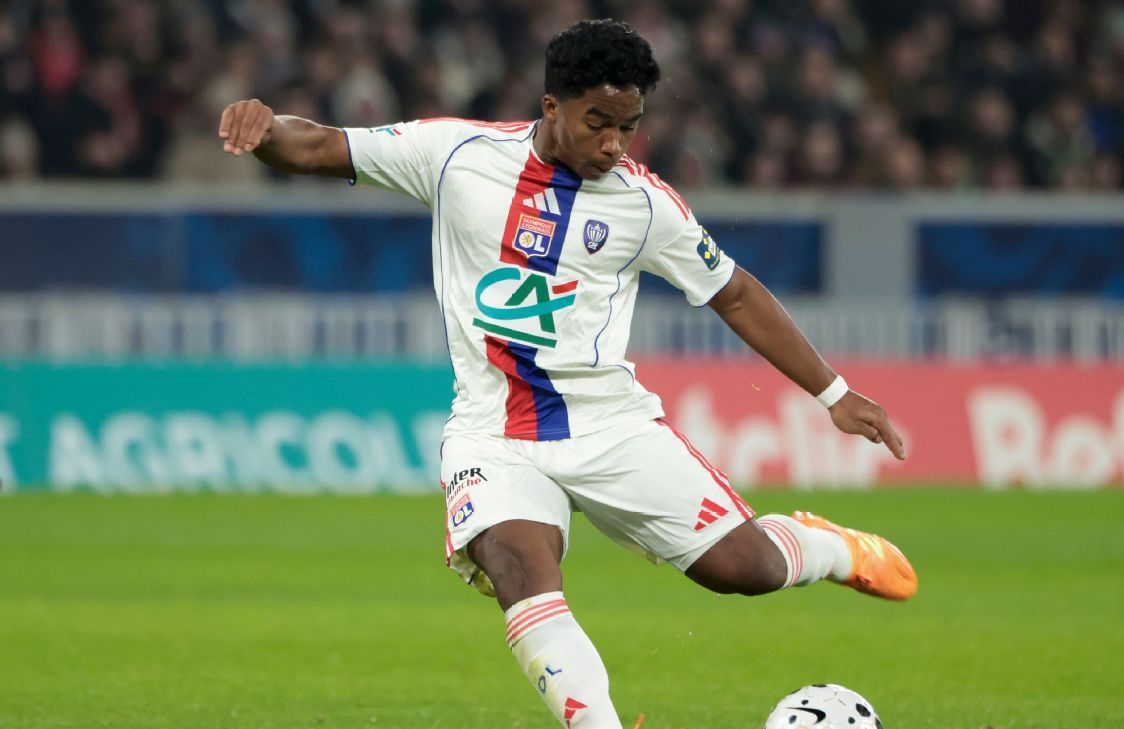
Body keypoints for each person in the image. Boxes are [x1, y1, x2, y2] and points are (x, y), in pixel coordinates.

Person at [218, 19, 916, 729]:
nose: (614, 144)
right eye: (598, 123)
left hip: (609, 424)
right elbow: (321, 144)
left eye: (629, 127)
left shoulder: (646, 205)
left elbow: (733, 292)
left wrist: (833, 393)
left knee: (744, 570)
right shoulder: (457, 154)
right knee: (518, 567)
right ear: (551, 106)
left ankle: (828, 547)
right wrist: (266, 129)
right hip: (492, 431)